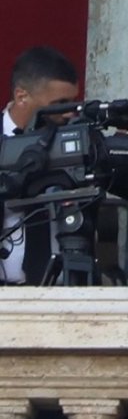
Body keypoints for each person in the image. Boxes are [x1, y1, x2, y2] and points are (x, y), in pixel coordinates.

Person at [1, 46, 81, 285]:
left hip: (60, 292)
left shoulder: (75, 141)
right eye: (60, 103)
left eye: (73, 102)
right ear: (21, 96)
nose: (70, 112)